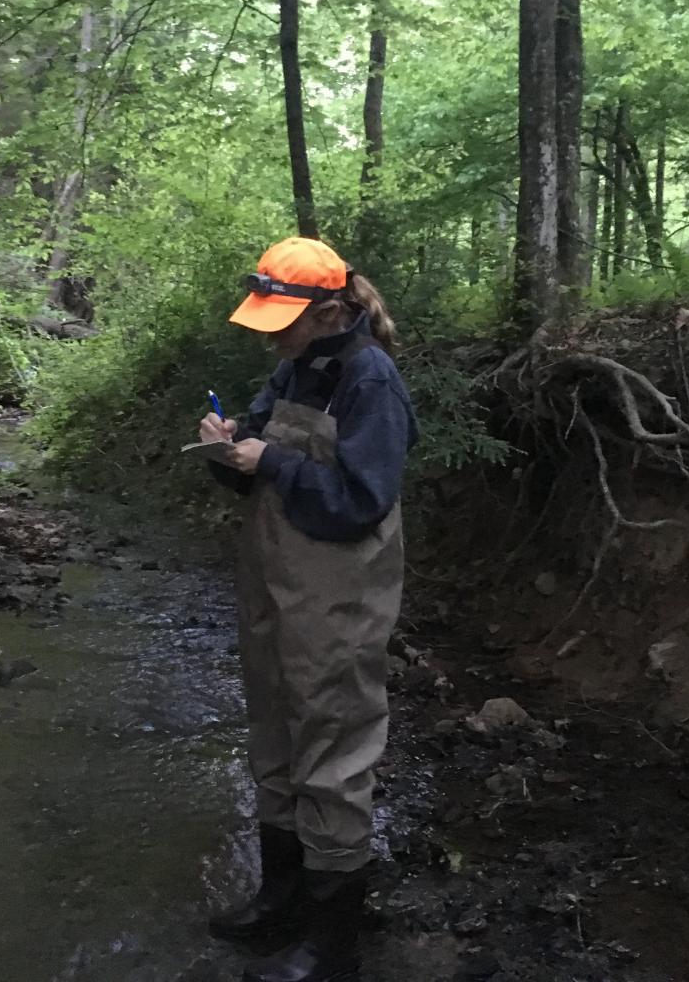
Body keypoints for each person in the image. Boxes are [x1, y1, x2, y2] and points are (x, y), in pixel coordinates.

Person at [199, 237, 418, 982]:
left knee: (331, 749)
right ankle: (281, 902)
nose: (269, 334)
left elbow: (361, 501)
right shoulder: (296, 368)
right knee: (274, 736)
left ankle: (332, 949)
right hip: (273, 587)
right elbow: (260, 471)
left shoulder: (370, 380)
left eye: (281, 320)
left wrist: (276, 461)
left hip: (340, 597)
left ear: (327, 312)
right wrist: (230, 451)